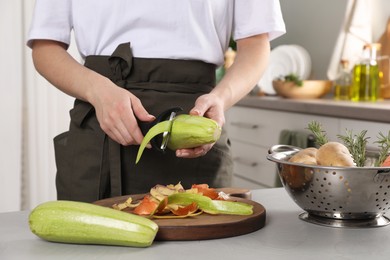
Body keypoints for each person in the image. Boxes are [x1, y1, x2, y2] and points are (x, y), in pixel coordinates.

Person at [27, 1, 286, 202]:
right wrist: (98, 91)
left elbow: (255, 44)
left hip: (193, 123)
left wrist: (221, 98)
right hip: (100, 127)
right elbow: (45, 47)